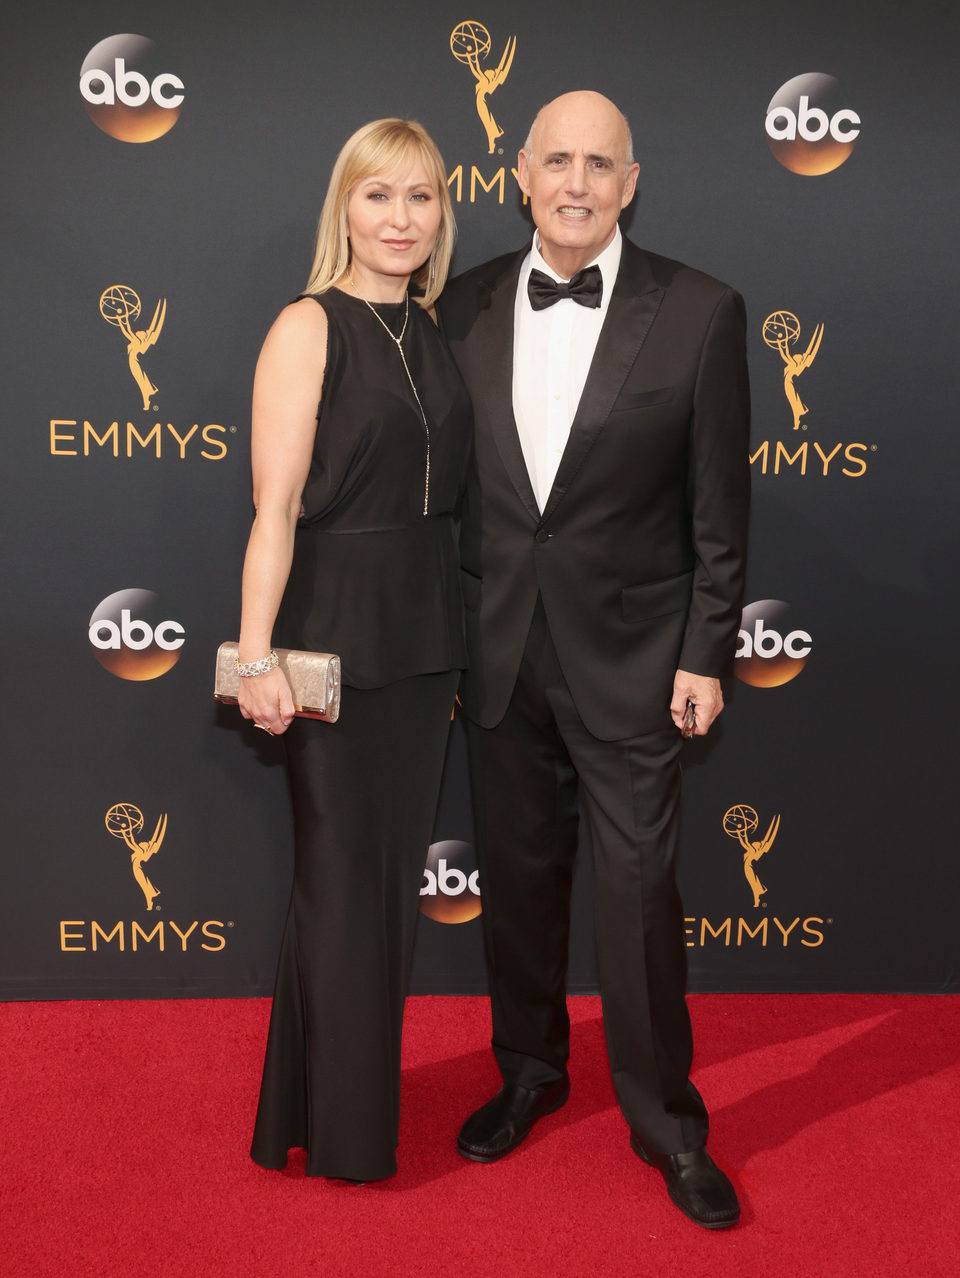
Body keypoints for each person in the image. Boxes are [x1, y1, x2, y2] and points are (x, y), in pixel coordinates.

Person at [438, 91, 750, 1228]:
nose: (576, 182)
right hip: (499, 647)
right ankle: (527, 1071)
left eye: (599, 164)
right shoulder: (460, 305)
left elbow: (721, 510)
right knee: (517, 885)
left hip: (636, 658)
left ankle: (668, 1123)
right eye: (556, 160)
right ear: (521, 172)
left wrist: (707, 649)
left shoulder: (703, 312)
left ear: (631, 180)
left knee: (635, 895)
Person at [237, 118, 471, 1183]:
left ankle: (313, 1100)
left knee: (378, 885)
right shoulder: (307, 325)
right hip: (327, 639)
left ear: (441, 214)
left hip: (426, 642)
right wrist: (254, 657)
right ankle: (343, 1133)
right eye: (380, 197)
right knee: (337, 877)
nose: (401, 219)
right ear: (346, 208)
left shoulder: (438, 333)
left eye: (420, 198)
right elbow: (274, 510)